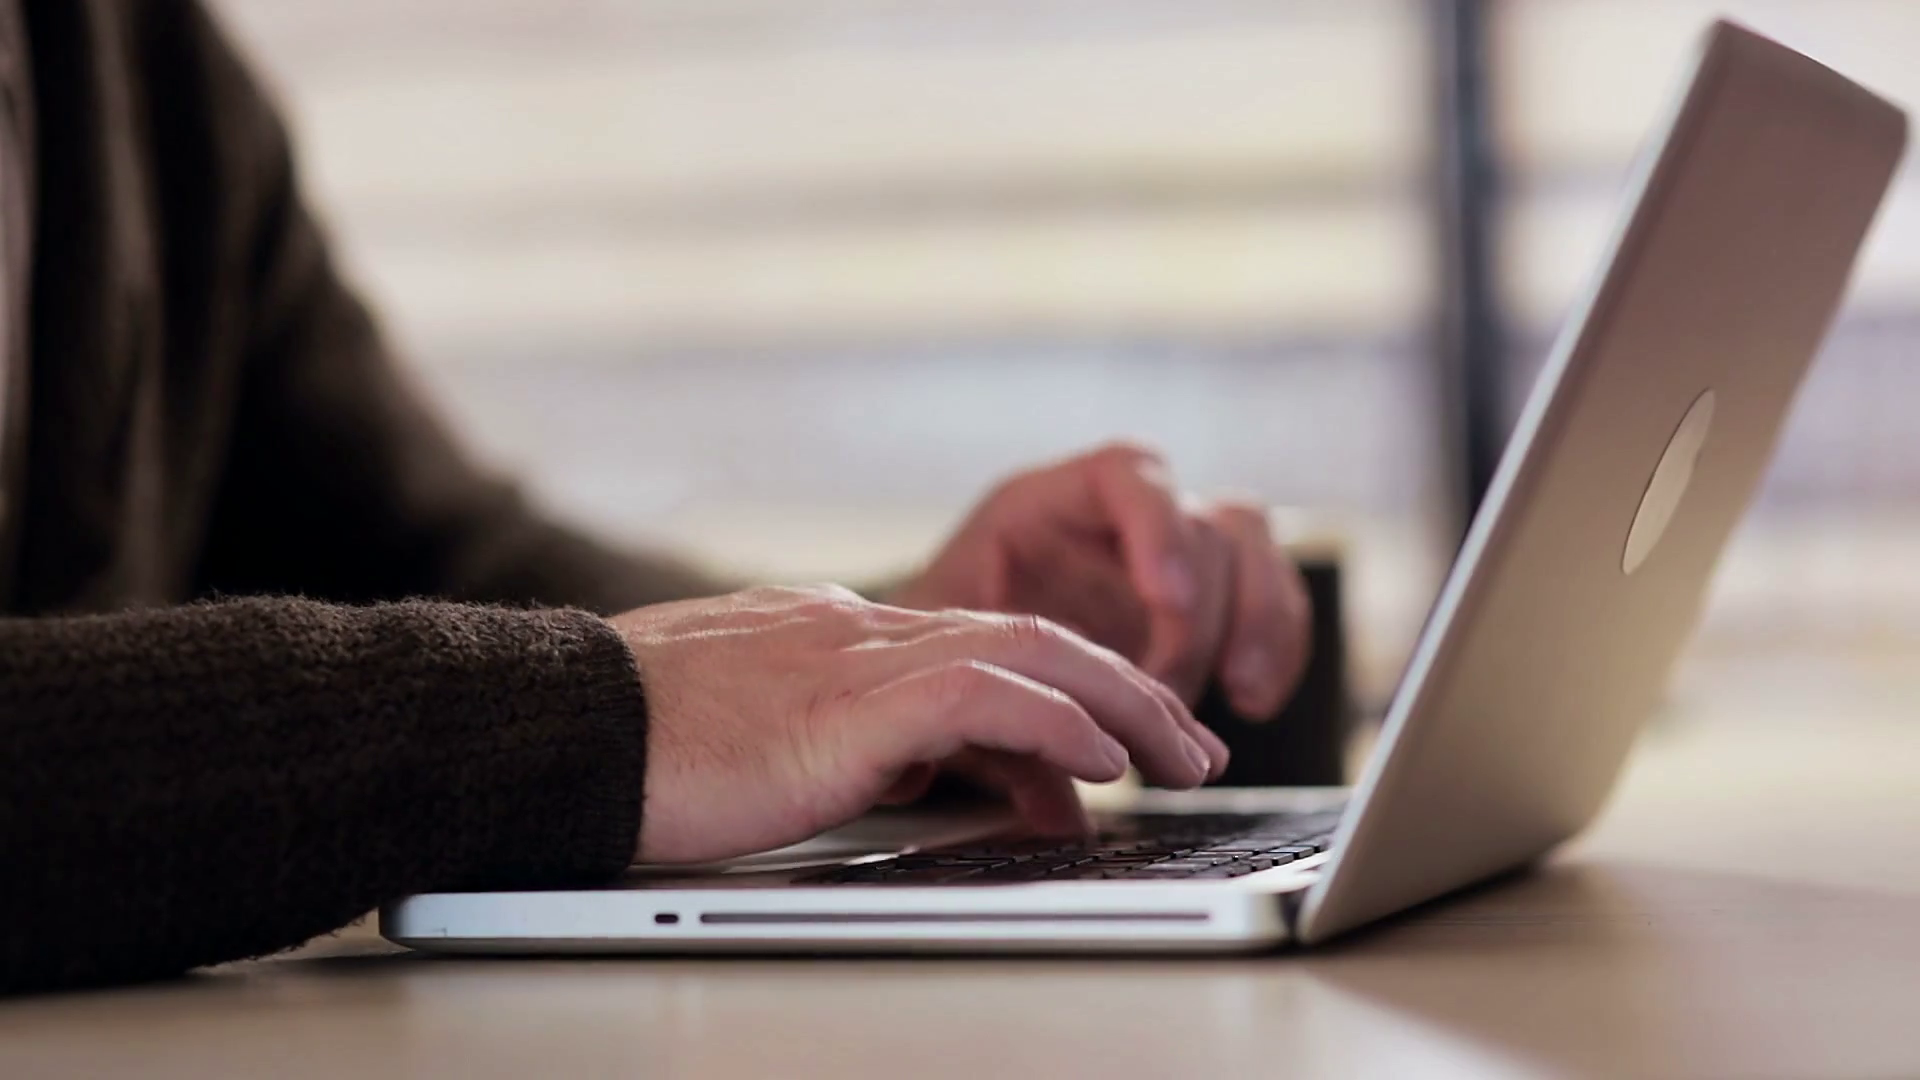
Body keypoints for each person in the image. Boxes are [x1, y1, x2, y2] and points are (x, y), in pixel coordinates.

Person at [0, 0, 1311, 993]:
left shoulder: (132, 50)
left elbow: (429, 550)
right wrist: (589, 722)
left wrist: (897, 654)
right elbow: (519, 679)